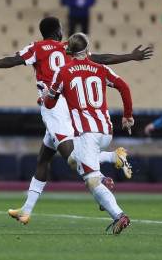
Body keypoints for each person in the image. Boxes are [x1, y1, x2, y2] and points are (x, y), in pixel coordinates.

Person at [0, 17, 152, 224]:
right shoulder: (68, 49)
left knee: (73, 160)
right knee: (43, 159)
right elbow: (100, 58)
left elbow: (12, 61)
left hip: (54, 105)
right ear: (59, 31)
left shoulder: (36, 48)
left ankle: (109, 164)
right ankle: (26, 210)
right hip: (68, 104)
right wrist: (131, 57)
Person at [44, 33, 134, 234]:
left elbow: (50, 103)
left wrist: (47, 96)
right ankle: (114, 157)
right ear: (86, 49)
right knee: (73, 160)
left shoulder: (63, 72)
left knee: (90, 180)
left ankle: (119, 215)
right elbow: (124, 87)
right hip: (105, 130)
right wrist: (127, 115)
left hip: (87, 133)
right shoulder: (100, 68)